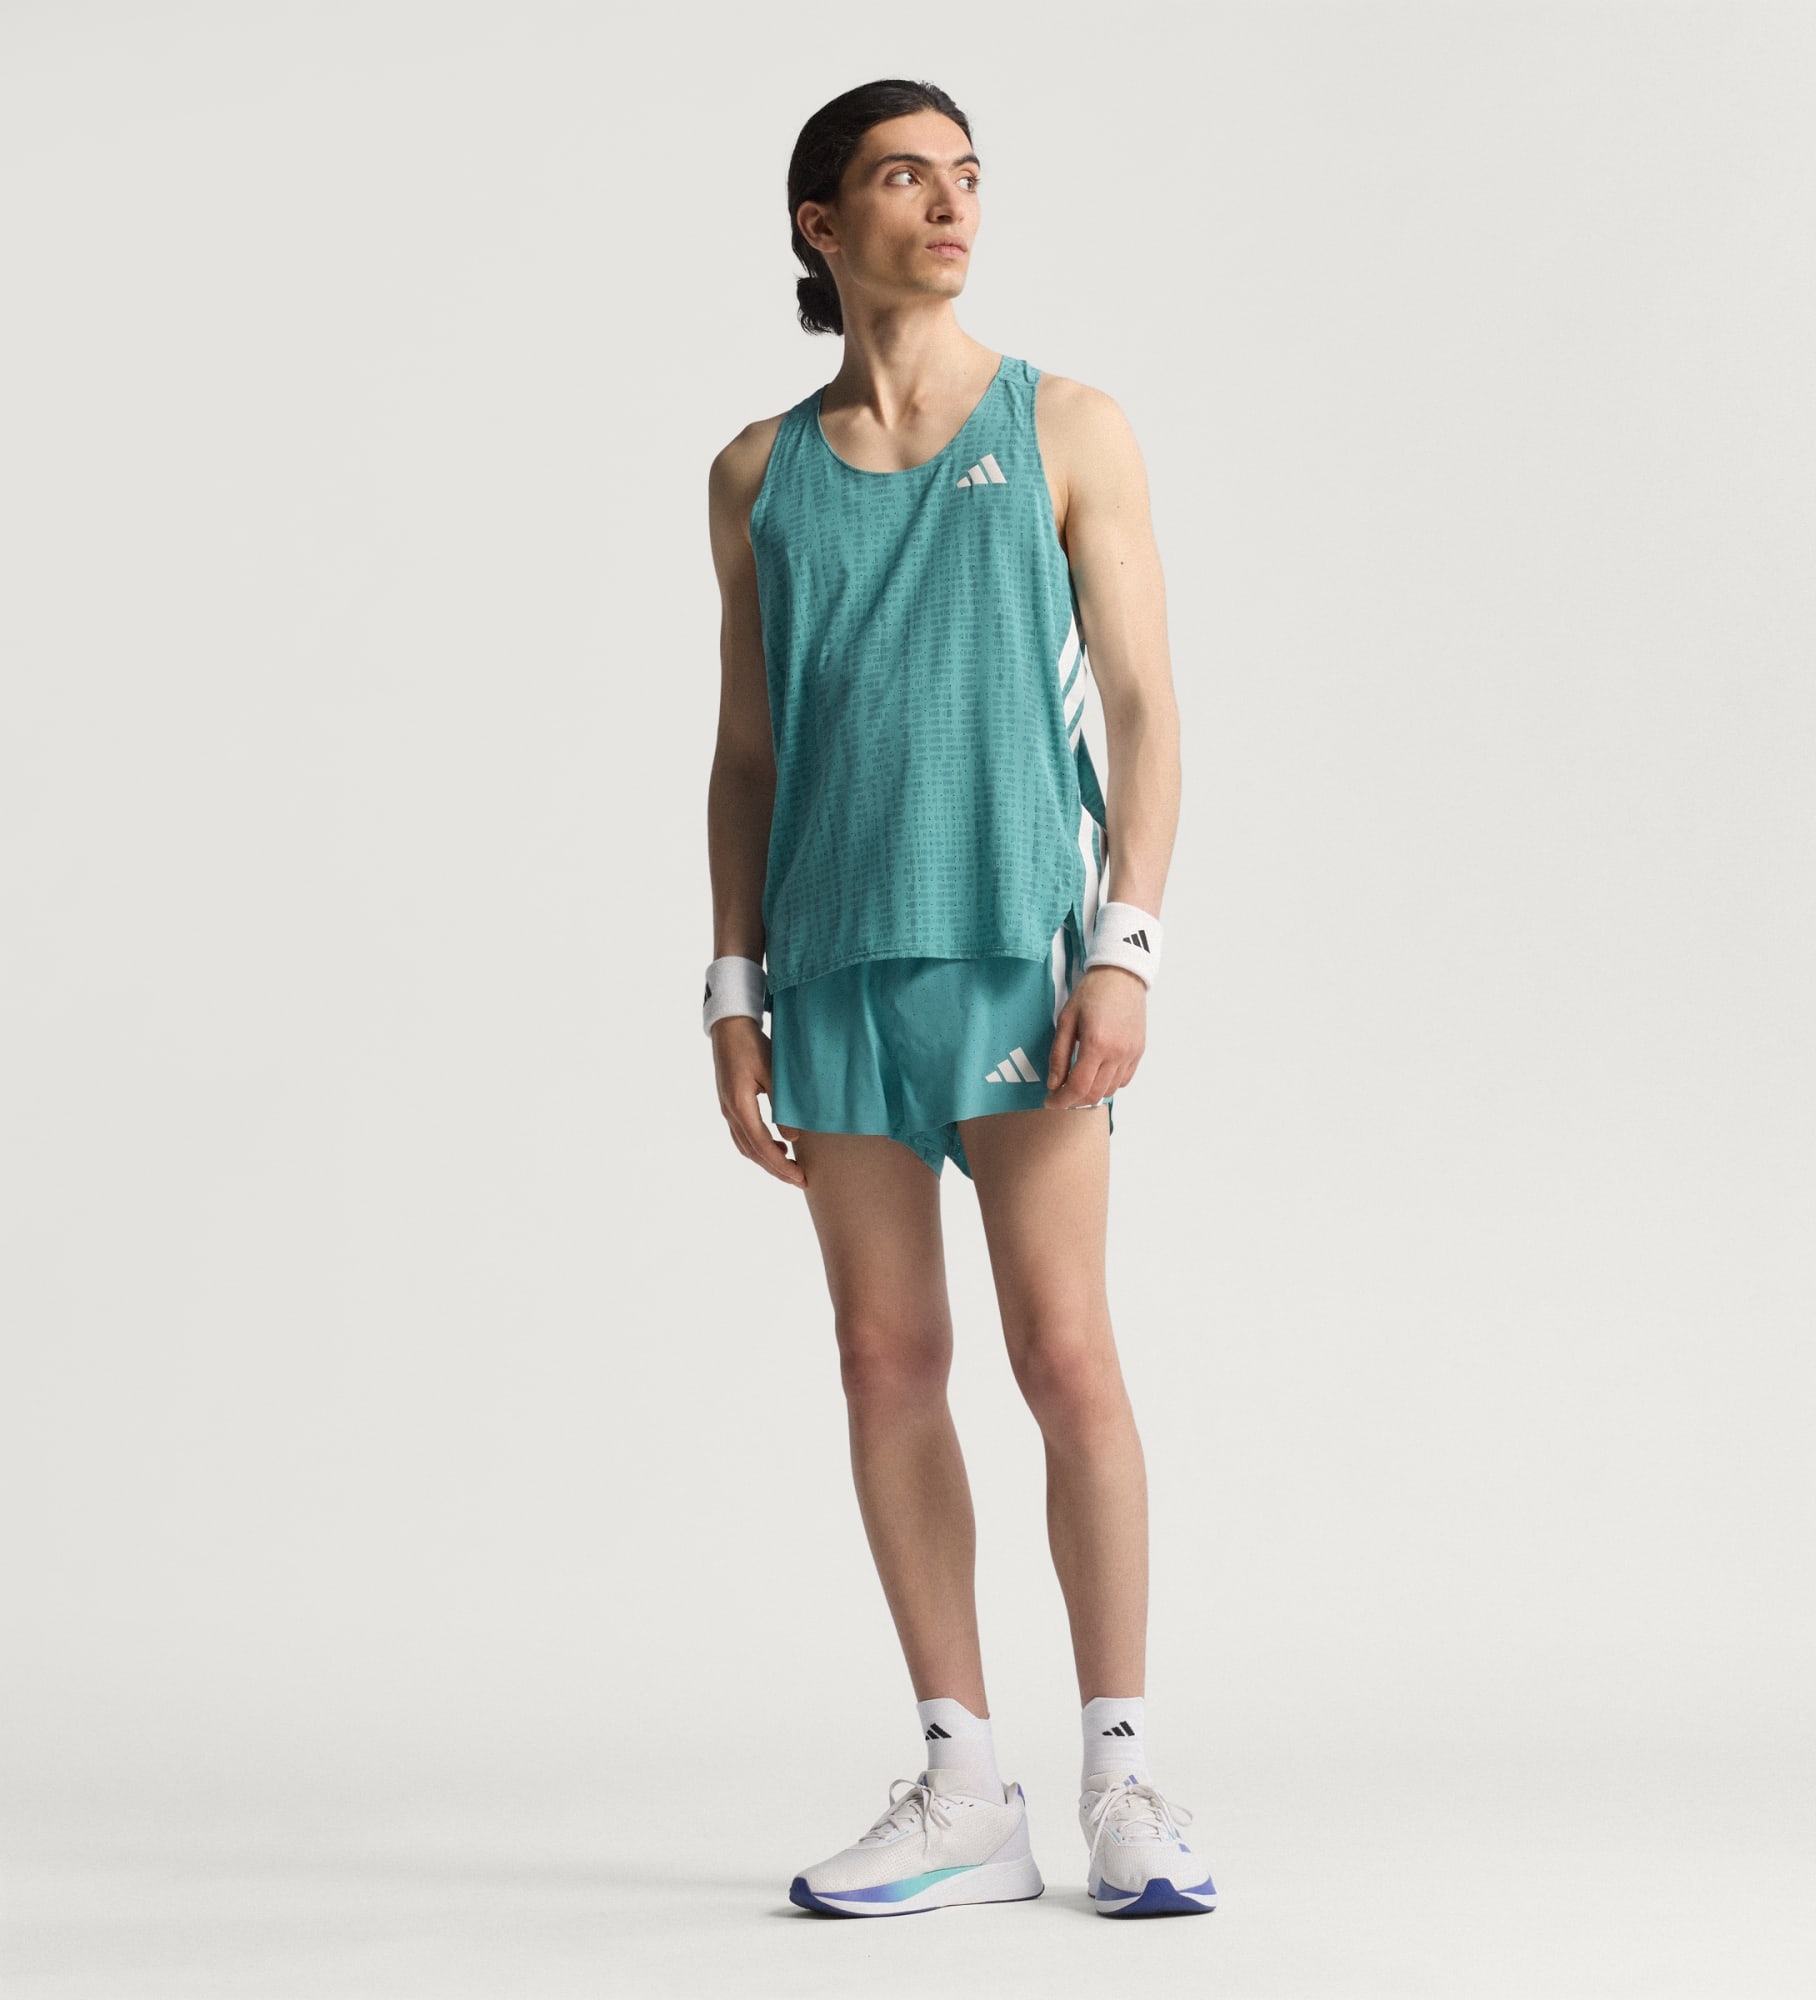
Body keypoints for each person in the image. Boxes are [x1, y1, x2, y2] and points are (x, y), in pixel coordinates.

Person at [703, 77, 1210, 1920]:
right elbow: (749, 754)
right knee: (883, 1362)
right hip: (834, 964)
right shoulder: (755, 475)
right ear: (820, 224)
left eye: (968, 176)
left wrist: (1125, 944)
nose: (950, 203)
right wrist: (732, 990)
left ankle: (1123, 1781)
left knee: (1064, 1353)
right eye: (906, 177)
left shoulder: (1064, 424)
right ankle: (966, 1785)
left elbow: (1145, 711)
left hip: (1020, 949)